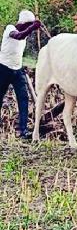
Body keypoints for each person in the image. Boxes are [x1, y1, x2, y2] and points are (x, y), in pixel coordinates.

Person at [0, 10, 41, 139]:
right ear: (22, 23)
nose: (28, 28)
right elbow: (18, 36)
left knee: (23, 99)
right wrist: (32, 27)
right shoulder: (10, 29)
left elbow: (23, 36)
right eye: (27, 24)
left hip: (18, 70)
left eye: (30, 25)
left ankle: (23, 131)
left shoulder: (25, 33)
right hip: (3, 69)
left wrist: (32, 27)